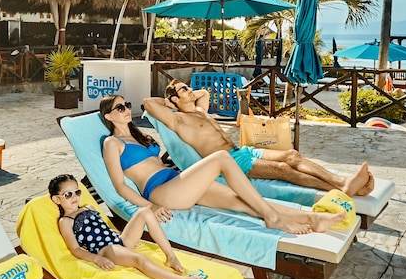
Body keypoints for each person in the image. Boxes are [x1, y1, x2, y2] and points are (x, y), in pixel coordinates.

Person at [99, 96, 348, 236]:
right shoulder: (112, 143)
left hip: (176, 182)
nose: (126, 109)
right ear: (109, 116)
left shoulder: (138, 135)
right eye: (119, 108)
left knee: (242, 200)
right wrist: (149, 206)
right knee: (221, 158)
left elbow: (150, 103)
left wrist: (172, 101)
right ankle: (273, 218)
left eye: (127, 105)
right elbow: (120, 186)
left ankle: (313, 218)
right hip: (160, 192)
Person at [142, 79, 375, 197]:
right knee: (284, 170)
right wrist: (170, 100)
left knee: (291, 155)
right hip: (229, 162)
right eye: (185, 89)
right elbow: (148, 103)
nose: (191, 90)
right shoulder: (179, 120)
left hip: (241, 151)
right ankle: (340, 187)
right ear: (174, 100)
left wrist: (184, 93)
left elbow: (204, 93)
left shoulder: (200, 111)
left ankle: (341, 181)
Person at [49, 173, 203, 279]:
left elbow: (104, 228)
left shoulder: (88, 207)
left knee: (145, 212)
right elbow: (75, 249)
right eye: (68, 195)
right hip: (105, 249)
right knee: (139, 259)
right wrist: (97, 259)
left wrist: (119, 234)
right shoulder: (66, 221)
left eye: (77, 192)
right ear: (57, 199)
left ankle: (171, 257)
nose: (74, 197)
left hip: (118, 240)